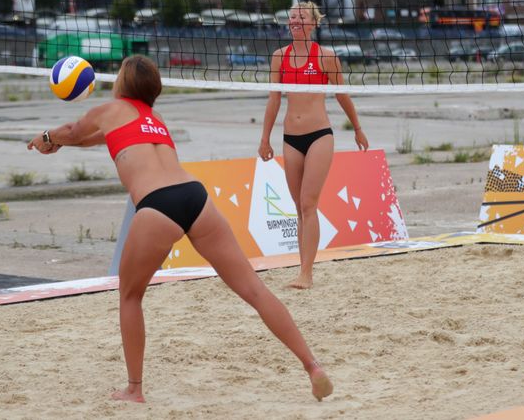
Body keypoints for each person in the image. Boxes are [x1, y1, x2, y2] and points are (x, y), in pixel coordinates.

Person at [27, 55, 333, 403]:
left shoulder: (108, 110)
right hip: (195, 197)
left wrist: (47, 136)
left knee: (130, 295)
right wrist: (61, 142)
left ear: (122, 84)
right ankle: (312, 366)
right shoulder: (155, 119)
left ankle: (134, 389)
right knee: (254, 289)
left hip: (158, 205)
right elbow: (96, 139)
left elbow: (74, 131)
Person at [258, 2, 369, 289]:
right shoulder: (279, 56)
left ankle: (306, 273)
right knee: (299, 207)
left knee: (309, 203)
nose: (294, 20)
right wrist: (264, 138)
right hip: (290, 139)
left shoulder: (326, 56)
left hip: (320, 134)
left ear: (313, 23)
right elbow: (274, 100)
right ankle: (302, 269)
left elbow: (342, 95)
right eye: (292, 16)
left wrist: (357, 128)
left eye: (301, 16)